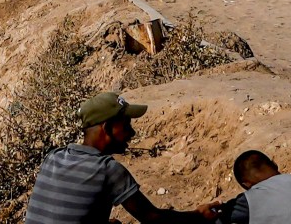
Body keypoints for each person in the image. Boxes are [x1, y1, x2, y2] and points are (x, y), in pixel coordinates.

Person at [23, 92, 211, 224]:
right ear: (106, 128)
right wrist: (198, 215)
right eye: (126, 125)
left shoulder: (53, 157)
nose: (132, 132)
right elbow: (153, 218)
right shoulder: (108, 170)